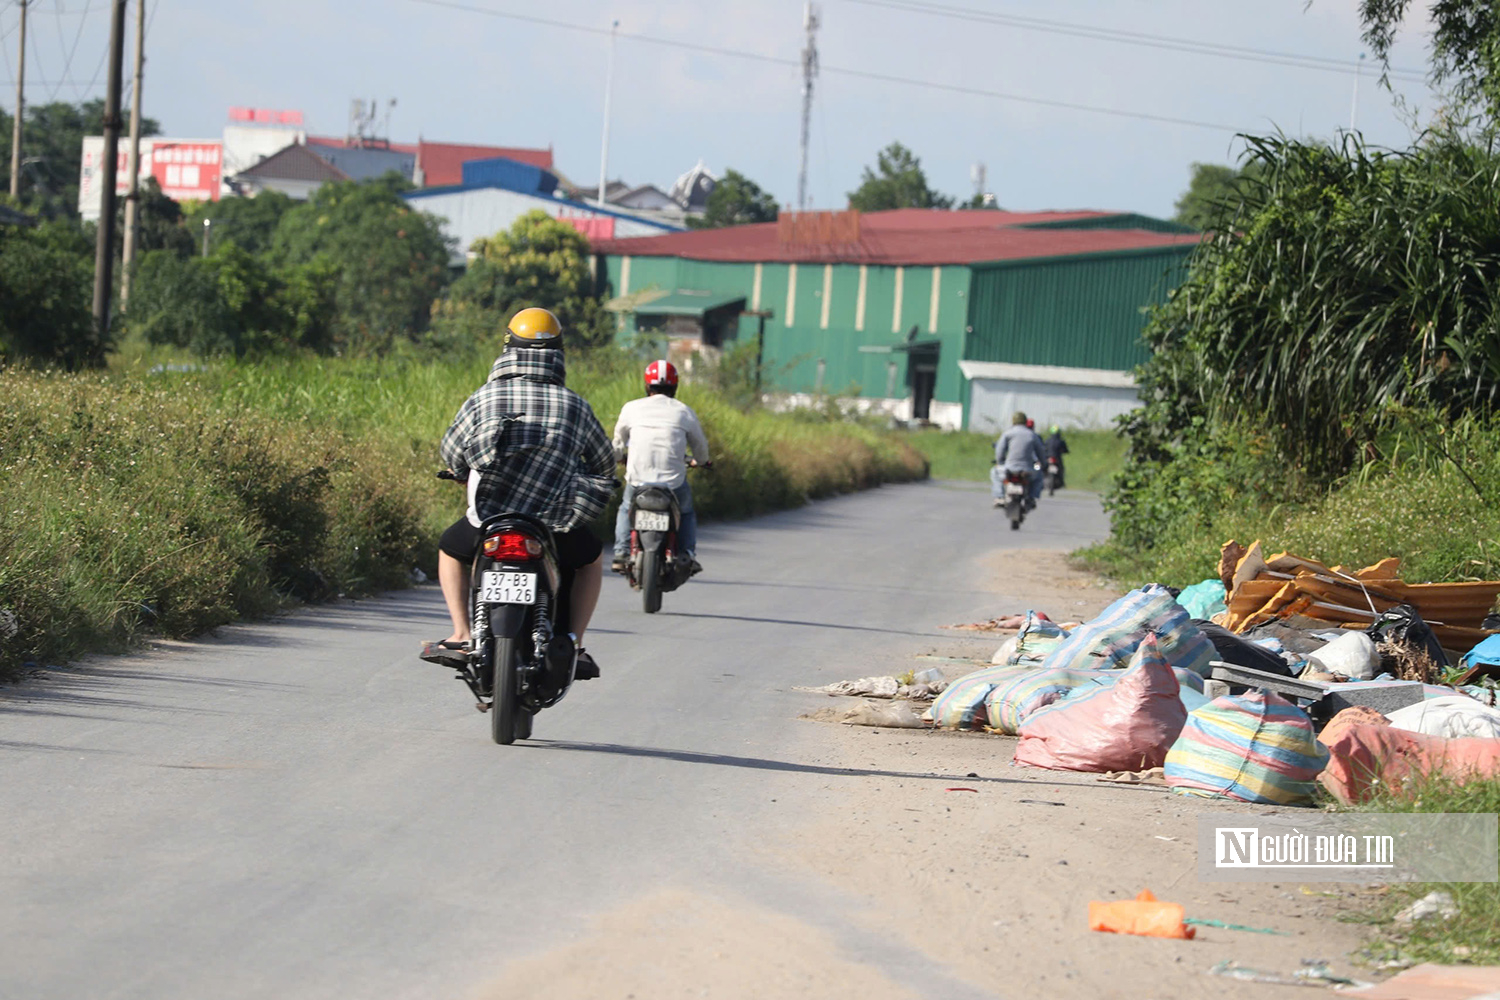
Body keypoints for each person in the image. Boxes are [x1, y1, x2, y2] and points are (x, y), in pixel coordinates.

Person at [422, 307, 617, 678]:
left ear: (508, 348)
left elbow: (451, 449)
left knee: (450, 549)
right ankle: (572, 642)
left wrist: (461, 470)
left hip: (488, 519)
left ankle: (462, 633)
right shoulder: (575, 405)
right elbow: (603, 464)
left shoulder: (485, 397)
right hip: (553, 523)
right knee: (590, 560)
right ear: (558, 352)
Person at [611, 359, 711, 574]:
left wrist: (619, 457)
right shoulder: (684, 411)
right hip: (673, 485)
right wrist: (701, 461)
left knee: (626, 508)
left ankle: (620, 552)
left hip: (638, 481)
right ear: (675, 387)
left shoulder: (631, 408)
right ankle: (686, 554)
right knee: (685, 513)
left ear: (647, 386)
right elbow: (700, 446)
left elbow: (617, 444)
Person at [992, 410, 1043, 508]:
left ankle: (999, 497)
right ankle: (1032, 498)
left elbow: (999, 451)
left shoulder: (1007, 433)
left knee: (994, 472)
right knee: (1039, 475)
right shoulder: (1033, 435)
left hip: (1009, 468)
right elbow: (1041, 453)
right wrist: (1043, 465)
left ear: (1013, 421)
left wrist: (1000, 461)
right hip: (1028, 469)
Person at [1043, 424, 1070, 490]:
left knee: (1044, 469)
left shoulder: (1047, 441)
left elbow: (1044, 449)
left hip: (1048, 458)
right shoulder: (1060, 441)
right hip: (1057, 458)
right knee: (1061, 469)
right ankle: (1062, 481)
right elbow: (1065, 449)